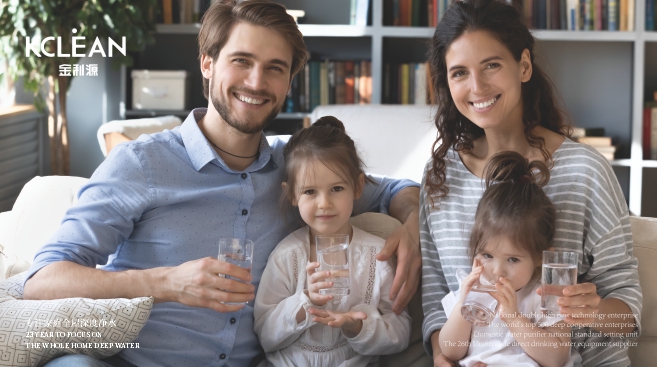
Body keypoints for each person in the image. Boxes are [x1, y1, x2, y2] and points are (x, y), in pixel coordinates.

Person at [22, 1, 422, 366]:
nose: (256, 81)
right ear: (208, 63)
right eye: (242, 61)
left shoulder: (299, 170)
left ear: (288, 82)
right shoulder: (141, 163)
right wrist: (163, 282)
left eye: (274, 68)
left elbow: (392, 189)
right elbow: (43, 281)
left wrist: (412, 225)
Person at [420, 1, 641, 367]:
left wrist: (596, 310)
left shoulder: (585, 171)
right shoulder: (440, 176)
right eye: (459, 72)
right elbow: (434, 301)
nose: (477, 86)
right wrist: (443, 359)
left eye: (491, 65)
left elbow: (628, 320)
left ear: (523, 66)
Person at [253, 116, 412, 366]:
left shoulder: (378, 255)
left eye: (336, 189)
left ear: (358, 186)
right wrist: (305, 300)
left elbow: (400, 333)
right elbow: (265, 335)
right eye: (310, 191)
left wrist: (356, 325)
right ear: (292, 193)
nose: (324, 203)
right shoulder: (286, 256)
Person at [439, 151, 580, 367]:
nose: (497, 270)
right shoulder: (472, 289)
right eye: (487, 255)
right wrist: (462, 305)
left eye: (513, 259)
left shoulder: (546, 293)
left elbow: (556, 358)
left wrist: (514, 318)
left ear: (540, 258)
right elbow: (450, 350)